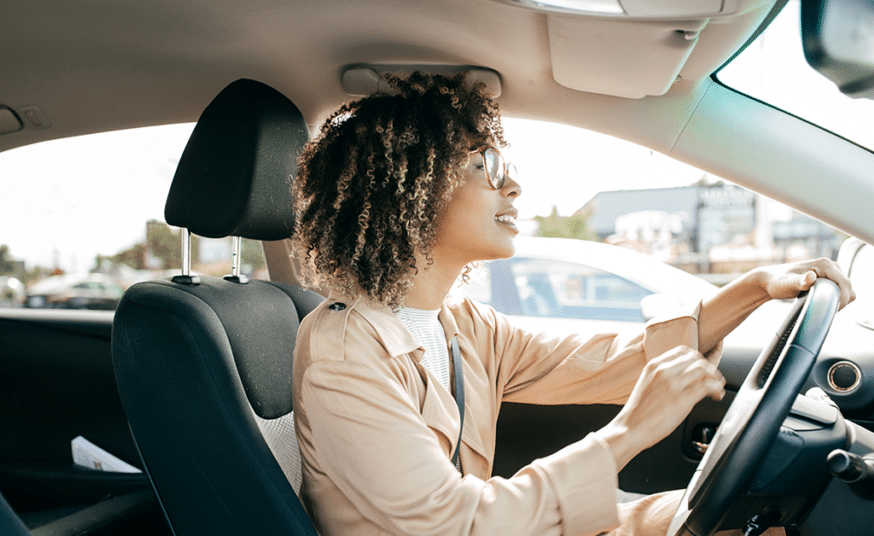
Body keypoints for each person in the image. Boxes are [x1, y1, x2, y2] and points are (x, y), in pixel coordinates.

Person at [290, 72, 855, 536]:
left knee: (738, 521)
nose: (511, 186)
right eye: (484, 165)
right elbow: (452, 521)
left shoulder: (460, 324)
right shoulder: (344, 353)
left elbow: (615, 361)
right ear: (406, 190)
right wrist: (631, 429)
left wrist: (753, 290)